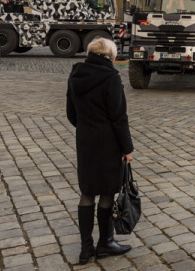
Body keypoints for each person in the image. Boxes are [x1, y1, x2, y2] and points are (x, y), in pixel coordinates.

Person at [66, 38, 134, 265]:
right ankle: (105, 243)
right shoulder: (111, 78)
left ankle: (86, 249)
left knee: (87, 192)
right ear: (111, 56)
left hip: (85, 140)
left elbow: (71, 112)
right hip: (108, 142)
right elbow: (119, 117)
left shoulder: (76, 74)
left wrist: (86, 128)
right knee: (106, 192)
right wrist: (127, 148)